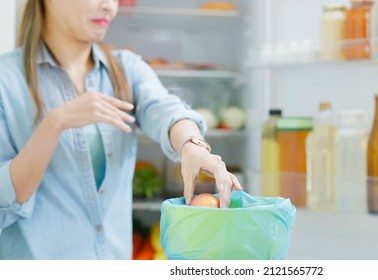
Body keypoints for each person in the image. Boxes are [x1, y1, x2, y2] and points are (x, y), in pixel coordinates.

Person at [0, 0, 242, 259]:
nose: (109, 7)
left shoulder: (126, 69)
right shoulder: (7, 79)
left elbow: (165, 110)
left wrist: (192, 146)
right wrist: (54, 123)